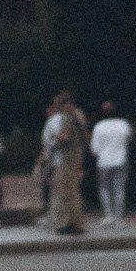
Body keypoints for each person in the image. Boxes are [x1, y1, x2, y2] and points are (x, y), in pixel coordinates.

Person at [38, 91, 86, 235]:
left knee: (62, 192)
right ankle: (76, 222)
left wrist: (54, 135)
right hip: (76, 156)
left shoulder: (66, 117)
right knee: (74, 192)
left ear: (66, 104)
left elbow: (64, 137)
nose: (56, 107)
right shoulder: (79, 115)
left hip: (65, 158)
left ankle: (64, 223)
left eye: (58, 104)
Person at [89, 100, 132, 228]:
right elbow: (128, 139)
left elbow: (94, 149)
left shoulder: (99, 126)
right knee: (119, 188)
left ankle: (108, 215)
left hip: (103, 162)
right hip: (121, 160)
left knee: (104, 189)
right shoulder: (123, 124)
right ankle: (118, 217)